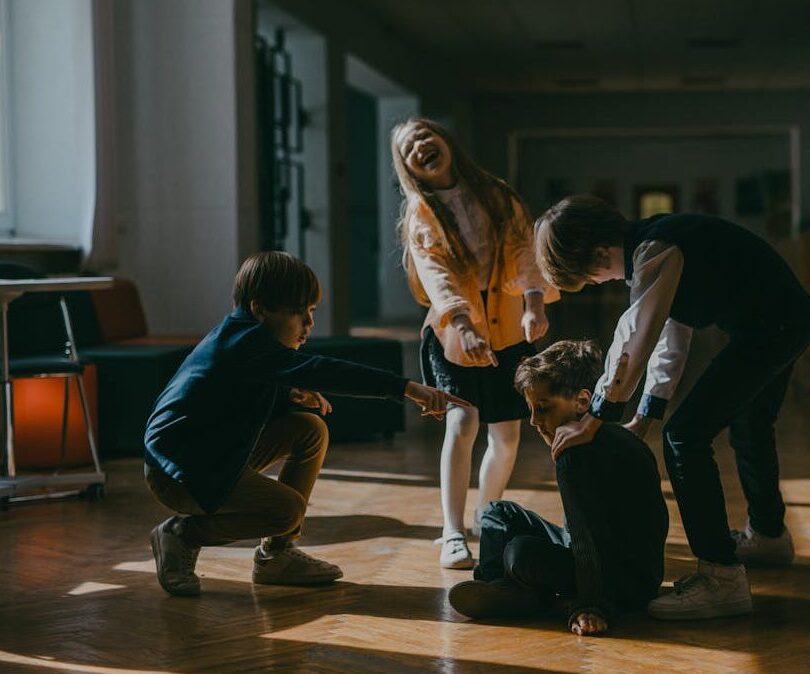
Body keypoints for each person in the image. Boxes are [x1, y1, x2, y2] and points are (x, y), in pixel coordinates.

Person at [534, 195, 810, 621]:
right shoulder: (660, 244)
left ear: (598, 254)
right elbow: (670, 339)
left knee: (685, 436)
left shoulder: (655, 250)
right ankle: (769, 535)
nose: (598, 283)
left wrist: (596, 416)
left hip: (772, 327)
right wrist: (645, 415)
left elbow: (635, 336)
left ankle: (721, 577)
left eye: (590, 278)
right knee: (750, 424)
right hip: (783, 320)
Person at [144, 251, 467, 597]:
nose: (309, 324)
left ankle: (276, 556)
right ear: (259, 309)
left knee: (309, 429)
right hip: (180, 474)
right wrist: (405, 388)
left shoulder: (244, 338)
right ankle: (180, 535)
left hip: (210, 456)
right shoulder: (244, 343)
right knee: (286, 511)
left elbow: (229, 399)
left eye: (311, 311)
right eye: (299, 312)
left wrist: (288, 395)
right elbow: (322, 370)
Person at [392, 117, 558, 569]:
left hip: (507, 328)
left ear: (445, 140)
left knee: (507, 434)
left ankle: (488, 517)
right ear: (407, 168)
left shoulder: (497, 194)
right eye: (409, 148)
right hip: (453, 331)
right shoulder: (421, 214)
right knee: (462, 422)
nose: (420, 146)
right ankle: (452, 530)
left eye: (425, 136)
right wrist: (463, 324)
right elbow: (437, 276)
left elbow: (524, 250)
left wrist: (534, 303)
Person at [448, 340, 667, 636]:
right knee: (496, 512)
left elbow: (586, 536)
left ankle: (523, 595)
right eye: (531, 409)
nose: (534, 421)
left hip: (621, 581)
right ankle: (498, 588)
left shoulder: (574, 454)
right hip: (608, 560)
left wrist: (590, 606)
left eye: (543, 408)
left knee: (518, 552)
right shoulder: (614, 435)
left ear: (582, 401)